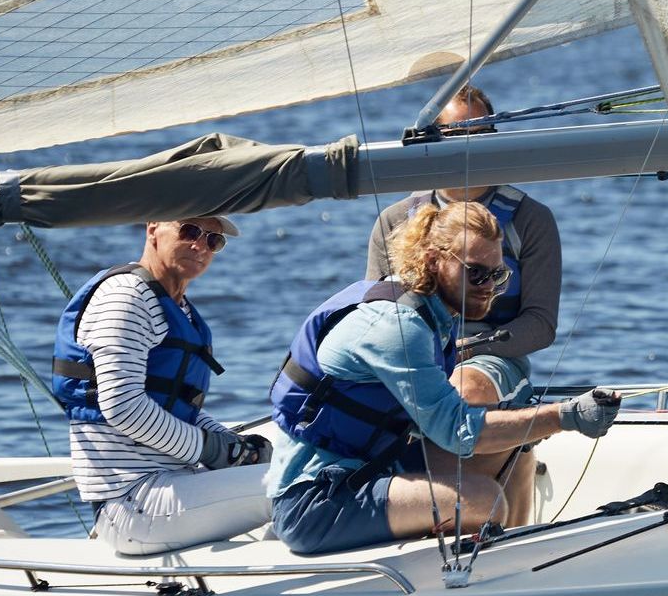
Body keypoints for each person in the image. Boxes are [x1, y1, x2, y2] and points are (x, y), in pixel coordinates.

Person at [267, 200, 619, 555]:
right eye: (476, 273)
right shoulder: (398, 327)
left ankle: (518, 561)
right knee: (485, 501)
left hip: (369, 467)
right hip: (314, 501)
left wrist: (534, 424)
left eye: (499, 276)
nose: (488, 287)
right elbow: (458, 429)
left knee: (513, 449)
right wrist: (565, 416)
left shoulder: (429, 313)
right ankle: (469, 582)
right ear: (435, 261)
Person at [365, 83, 562, 524]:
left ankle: (470, 515)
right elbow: (374, 320)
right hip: (413, 356)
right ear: (430, 142)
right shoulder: (394, 222)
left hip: (493, 358)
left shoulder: (531, 220)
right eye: (456, 134)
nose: (470, 145)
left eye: (482, 133)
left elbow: (541, 324)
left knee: (465, 387)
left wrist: (467, 351)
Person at [53, 216, 271, 555]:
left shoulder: (173, 306)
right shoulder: (126, 298)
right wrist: (209, 449)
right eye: (189, 231)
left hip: (170, 486)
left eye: (214, 240)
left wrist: (231, 445)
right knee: (293, 485)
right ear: (153, 227)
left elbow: (176, 406)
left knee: (294, 466)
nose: (200, 245)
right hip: (132, 504)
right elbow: (123, 408)